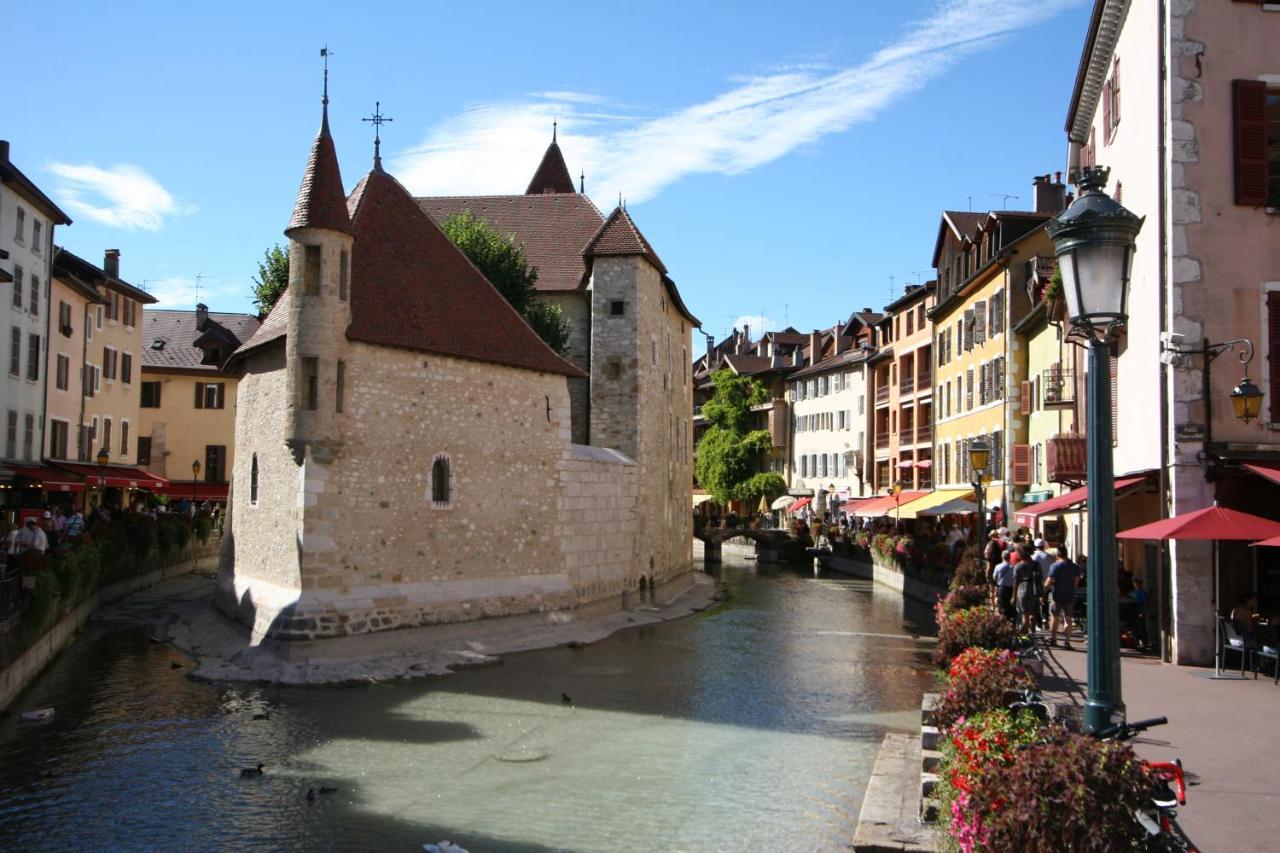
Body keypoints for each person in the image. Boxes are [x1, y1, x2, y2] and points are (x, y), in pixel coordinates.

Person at [1045, 546, 1082, 649]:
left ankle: (1053, 639)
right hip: (1069, 594)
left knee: (1055, 617)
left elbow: (1049, 581)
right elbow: (1076, 582)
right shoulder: (1075, 567)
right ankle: (1067, 641)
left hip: (1057, 595)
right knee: (1068, 618)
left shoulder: (1054, 566)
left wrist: (1042, 590)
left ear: (1057, 555)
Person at [1013, 544, 1043, 635]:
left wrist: (1013, 596)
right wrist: (1041, 593)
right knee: (1033, 613)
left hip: (1023, 590)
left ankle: (1023, 634)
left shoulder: (1019, 566)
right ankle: (1033, 632)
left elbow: (1016, 581)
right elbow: (1040, 578)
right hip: (1034, 590)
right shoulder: (1036, 564)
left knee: (1024, 616)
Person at [992, 549, 1017, 623]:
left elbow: (994, 578)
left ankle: (1004, 622)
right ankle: (1012, 622)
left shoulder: (998, 566)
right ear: (1009, 557)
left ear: (1002, 557)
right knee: (1011, 606)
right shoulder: (1013, 567)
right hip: (1011, 588)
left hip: (1001, 588)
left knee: (1002, 606)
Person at [1130, 577, 1149, 650]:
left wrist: (1143, 611)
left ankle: (1144, 642)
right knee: (1135, 627)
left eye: (1137, 583)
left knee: (1141, 627)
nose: (1136, 584)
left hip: (1140, 610)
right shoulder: (1132, 592)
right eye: (1134, 583)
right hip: (1133, 611)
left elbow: (1145, 603)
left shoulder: (1143, 593)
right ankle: (1136, 641)